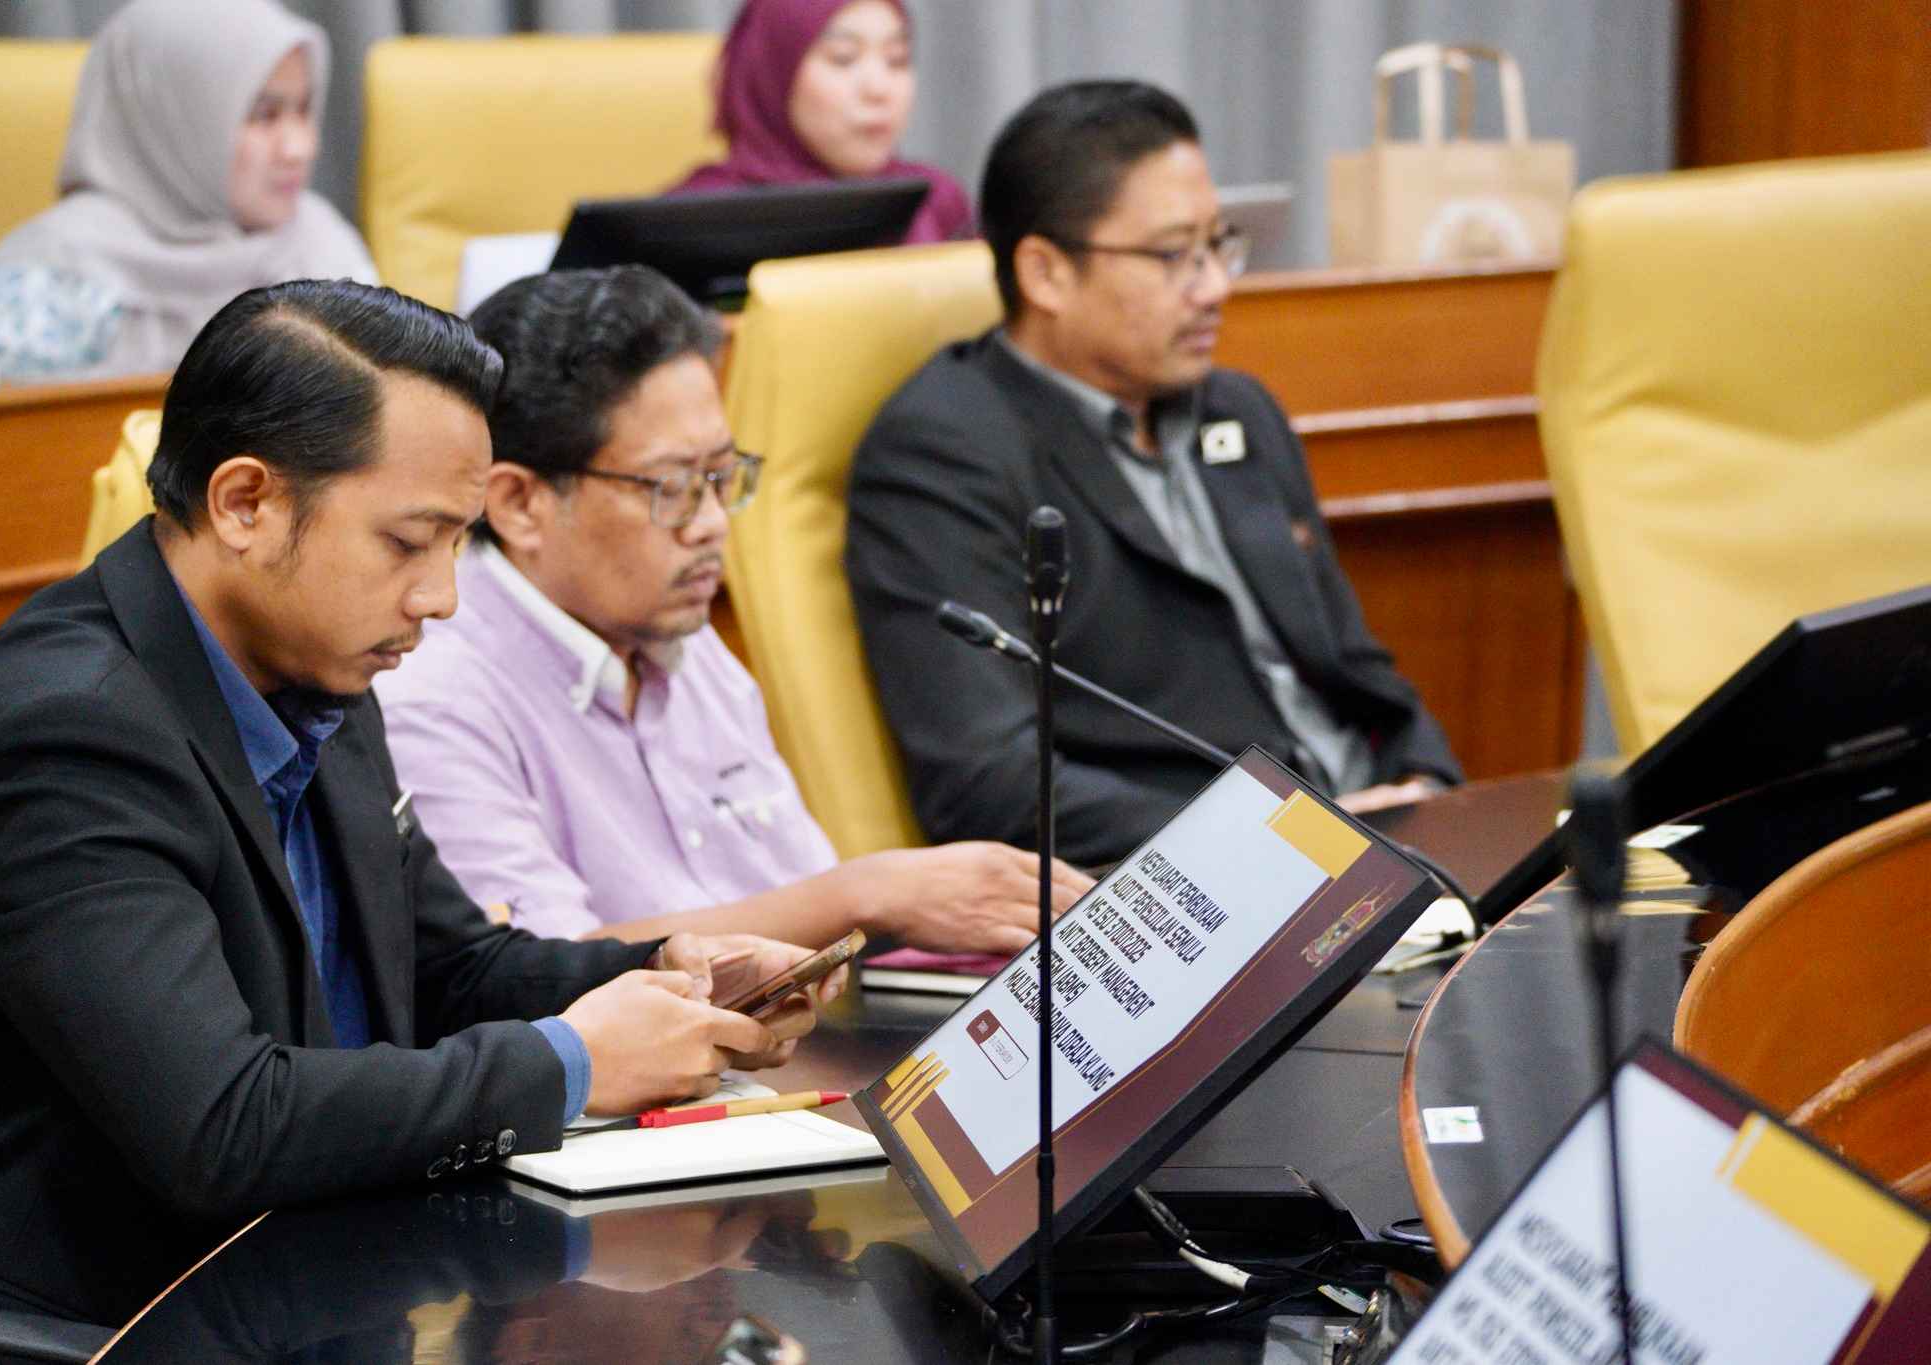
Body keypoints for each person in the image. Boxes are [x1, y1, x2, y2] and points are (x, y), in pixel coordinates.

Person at [0, 279, 830, 1326]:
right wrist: (569, 1064)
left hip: (315, 1290)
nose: (441, 597)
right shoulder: (68, 733)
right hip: (102, 1326)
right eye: (407, 542)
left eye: (456, 543)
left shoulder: (320, 665)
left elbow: (445, 968)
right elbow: (220, 1126)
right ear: (246, 504)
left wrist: (662, 974)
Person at [376, 265, 1087, 951]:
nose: (714, 523)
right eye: (674, 487)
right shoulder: (431, 697)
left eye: (723, 476)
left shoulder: (679, 638)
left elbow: (802, 910)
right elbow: (532, 975)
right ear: (519, 504)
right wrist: (861, 896)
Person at [845, 81, 1462, 869]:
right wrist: (1303, 839)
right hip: (1210, 885)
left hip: (1384, 845)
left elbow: (1354, 669)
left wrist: (1436, 789)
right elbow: (991, 783)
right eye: (1174, 255)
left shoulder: (1238, 410)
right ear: (1045, 272)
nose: (1215, 286)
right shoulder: (943, 451)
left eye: (1218, 244)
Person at [0, 0, 376, 394]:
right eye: (264, 115)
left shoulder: (319, 243)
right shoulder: (61, 266)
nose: (299, 148)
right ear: (175, 120)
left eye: (303, 110)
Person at [666, 0, 972, 244]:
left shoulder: (935, 200)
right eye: (843, 57)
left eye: (897, 59)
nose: (879, 89)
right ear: (773, 75)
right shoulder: (692, 219)